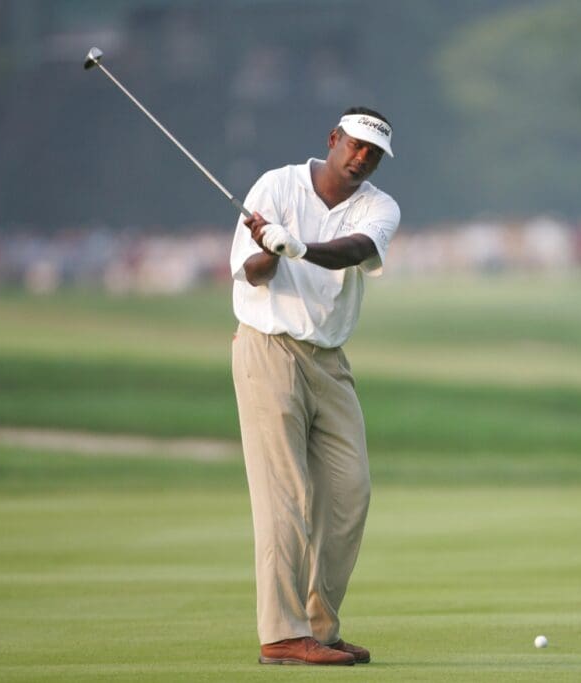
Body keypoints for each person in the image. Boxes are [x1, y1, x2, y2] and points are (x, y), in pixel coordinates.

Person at [229, 106, 399, 666]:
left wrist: (297, 246)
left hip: (330, 359)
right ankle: (282, 635)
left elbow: (356, 249)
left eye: (372, 155)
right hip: (268, 348)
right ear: (333, 138)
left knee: (350, 494)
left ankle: (319, 628)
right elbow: (247, 273)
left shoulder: (379, 206)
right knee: (285, 495)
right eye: (354, 146)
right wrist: (268, 254)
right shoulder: (276, 185)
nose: (361, 159)